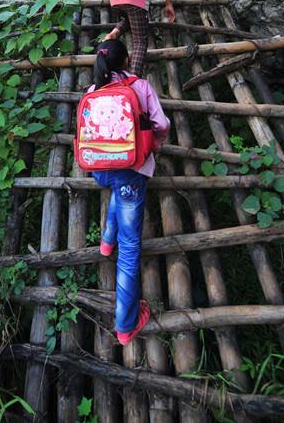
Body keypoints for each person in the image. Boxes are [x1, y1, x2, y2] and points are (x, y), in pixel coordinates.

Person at [86, 39, 169, 345]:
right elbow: (161, 124)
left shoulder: (92, 92)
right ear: (126, 62)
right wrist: (154, 144)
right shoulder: (141, 88)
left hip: (101, 169)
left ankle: (106, 243)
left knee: (118, 193)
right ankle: (125, 325)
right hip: (131, 170)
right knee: (131, 247)